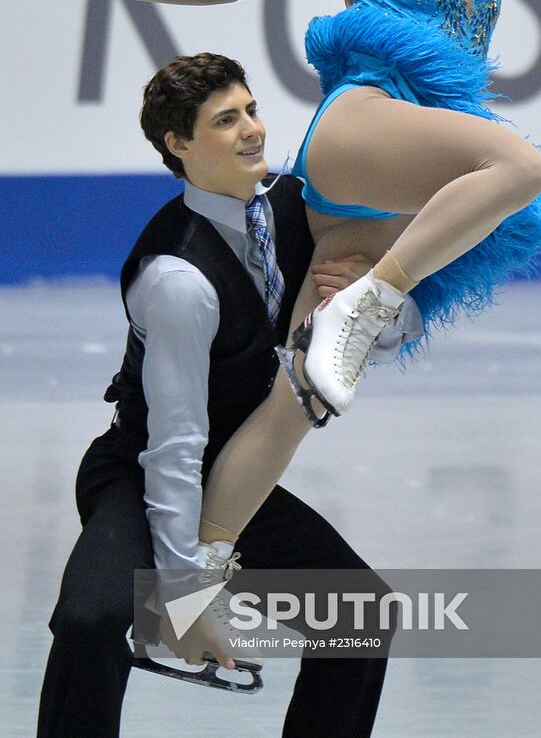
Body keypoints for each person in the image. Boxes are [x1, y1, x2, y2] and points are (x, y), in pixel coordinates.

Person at [63, 0, 541, 597]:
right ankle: (372, 301)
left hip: (405, 183)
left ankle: (191, 585)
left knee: (299, 397)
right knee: (518, 164)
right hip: (363, 125)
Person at [37, 52, 414, 738]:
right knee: (93, 619)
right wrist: (183, 601)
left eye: (252, 110)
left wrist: (373, 305)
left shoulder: (299, 205)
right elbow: (175, 445)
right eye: (225, 120)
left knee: (361, 616)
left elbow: (387, 324)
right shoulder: (177, 278)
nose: (252, 131)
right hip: (143, 469)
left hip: (234, 474)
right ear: (178, 146)